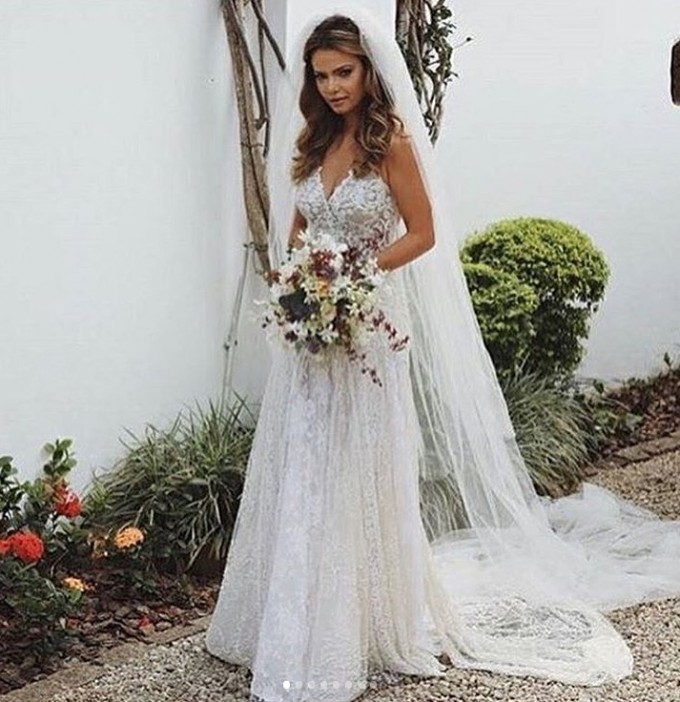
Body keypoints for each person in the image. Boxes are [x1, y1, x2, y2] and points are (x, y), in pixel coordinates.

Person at [205, 10, 680, 702]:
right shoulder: (314, 140)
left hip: (368, 326)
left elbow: (422, 232)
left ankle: (359, 625)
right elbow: (302, 226)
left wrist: (355, 275)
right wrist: (300, 281)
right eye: (322, 75)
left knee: (357, 467)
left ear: (368, 71)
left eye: (344, 72)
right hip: (313, 331)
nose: (333, 87)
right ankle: (289, 617)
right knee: (304, 464)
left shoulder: (389, 140)